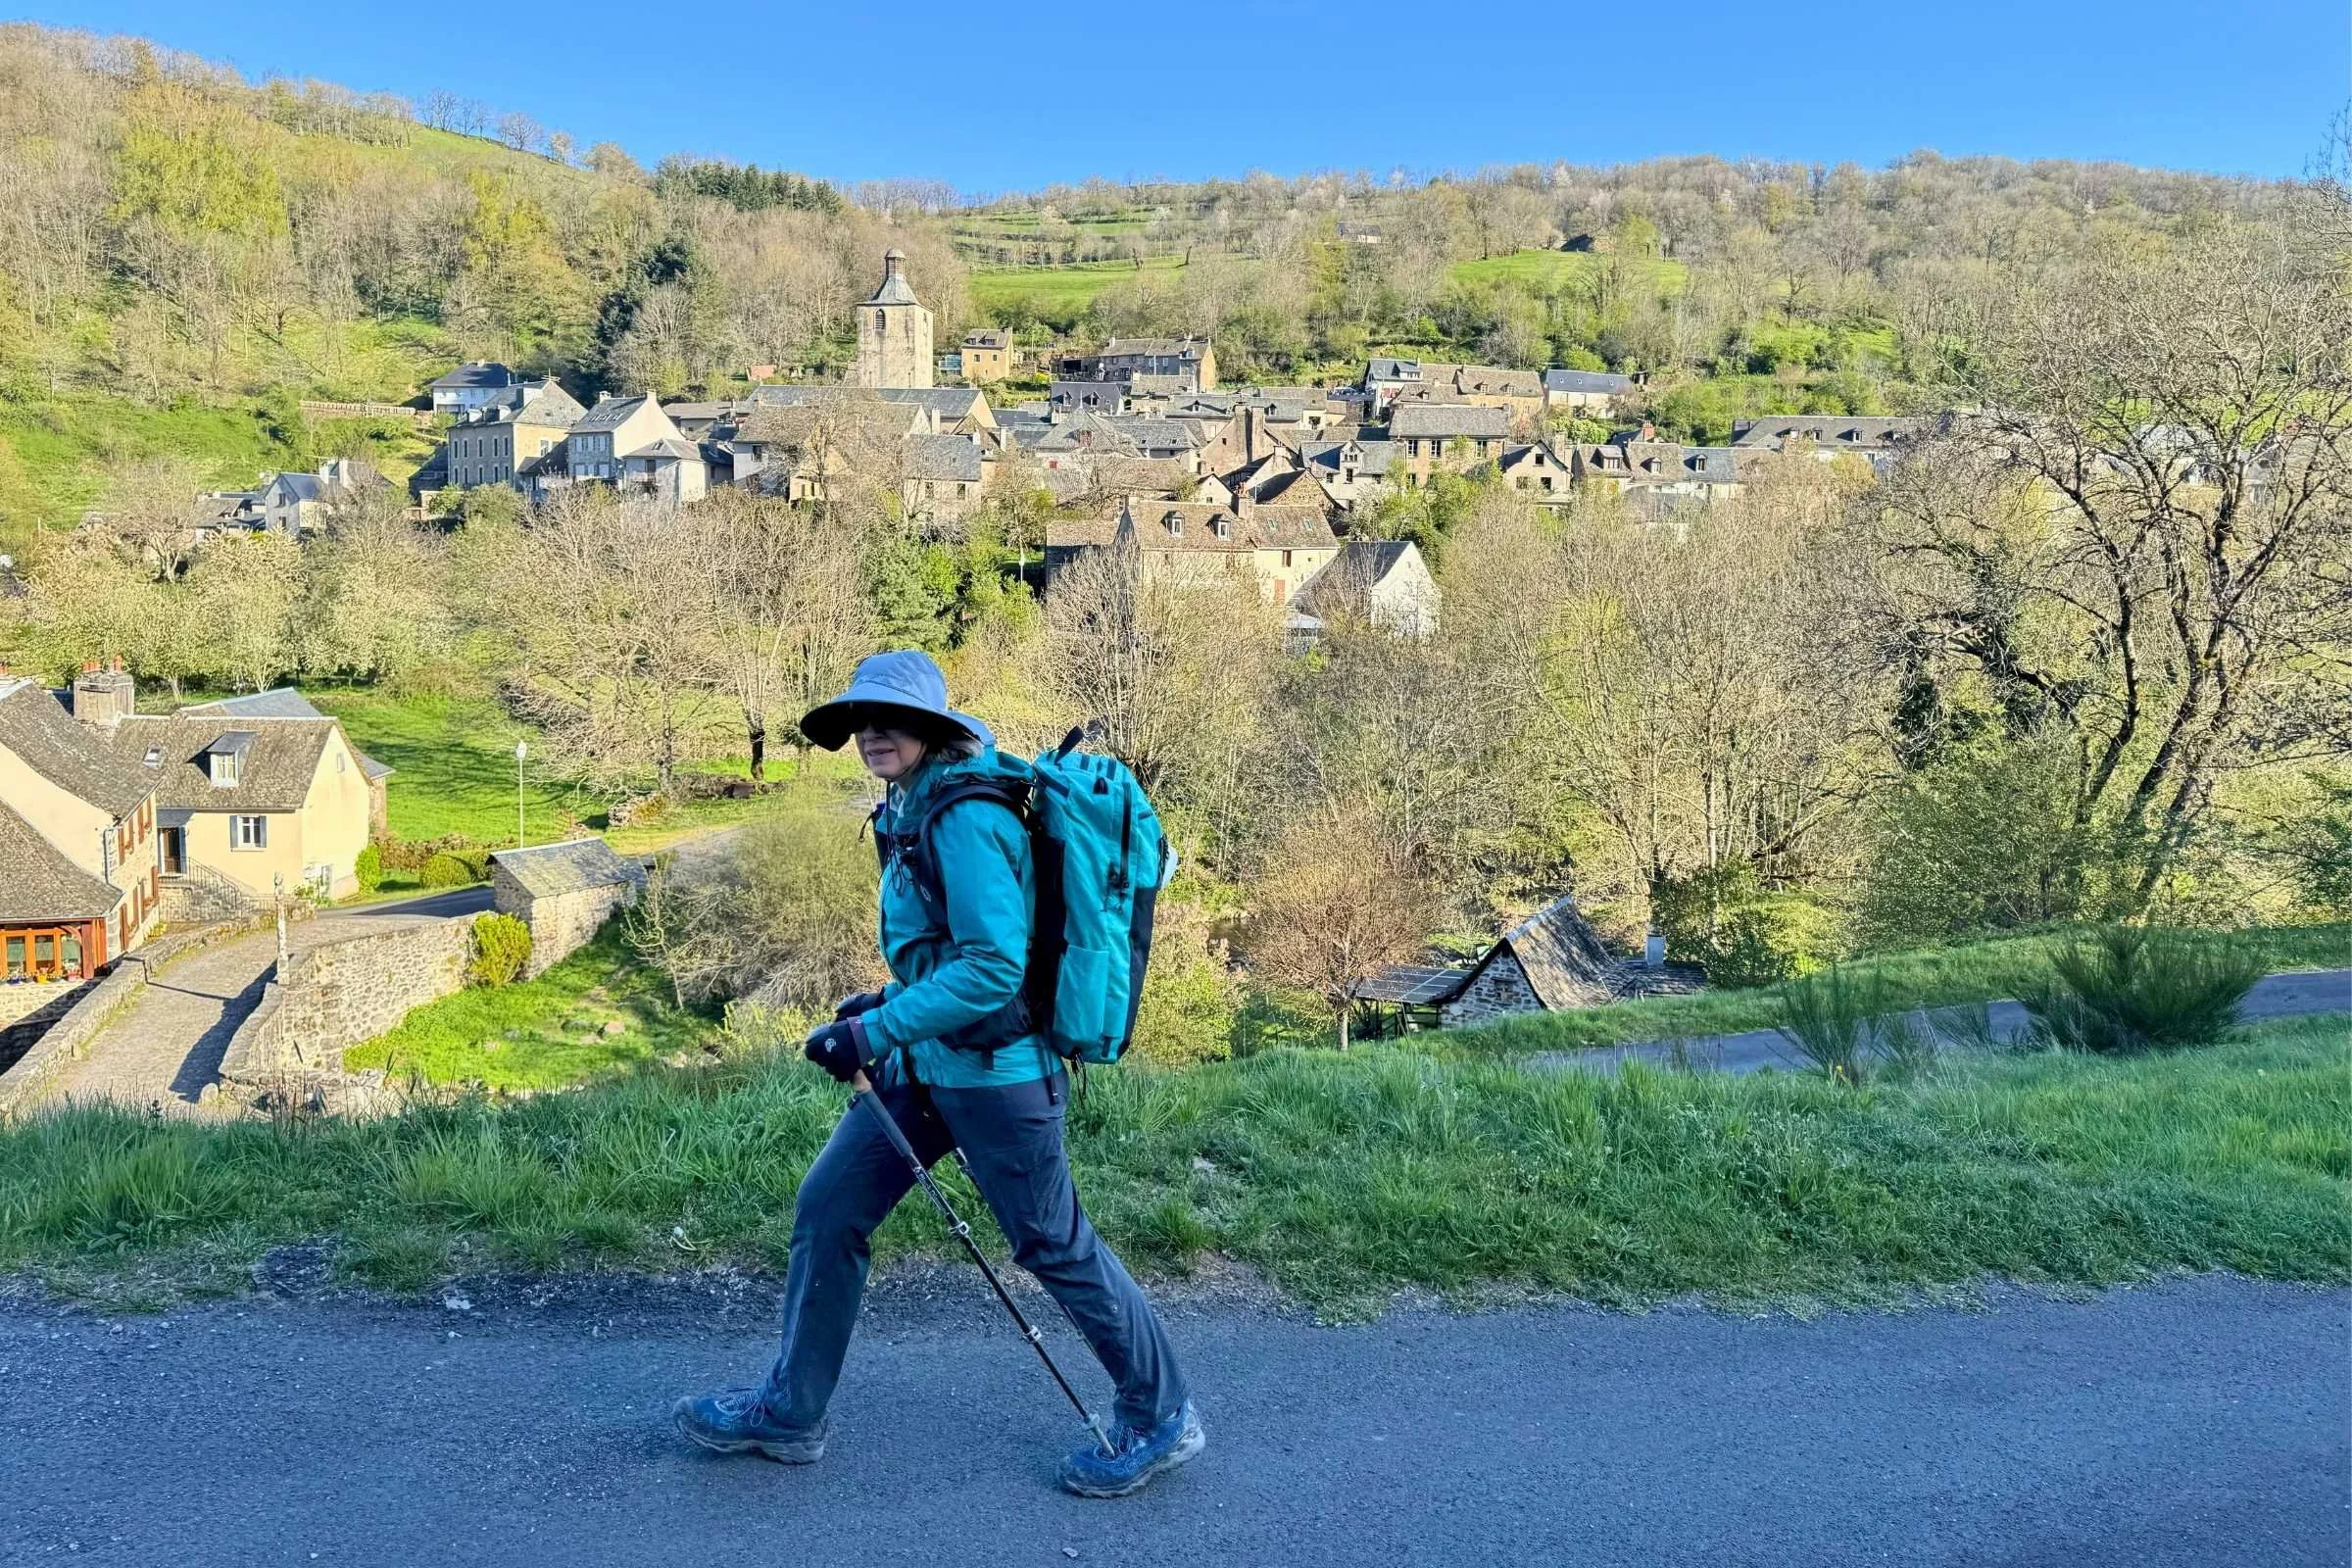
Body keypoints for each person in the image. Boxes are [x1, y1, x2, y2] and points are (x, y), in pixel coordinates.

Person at [672, 649, 1202, 1498]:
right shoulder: (912, 802)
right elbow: (951, 954)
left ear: (932, 728)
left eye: (893, 717)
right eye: (861, 719)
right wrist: (881, 1002)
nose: (874, 731)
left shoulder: (964, 815)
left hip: (997, 1077)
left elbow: (994, 966)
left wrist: (877, 1028)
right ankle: (790, 1413)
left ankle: (1161, 1413)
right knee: (830, 1208)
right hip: (930, 1064)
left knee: (1051, 1245)